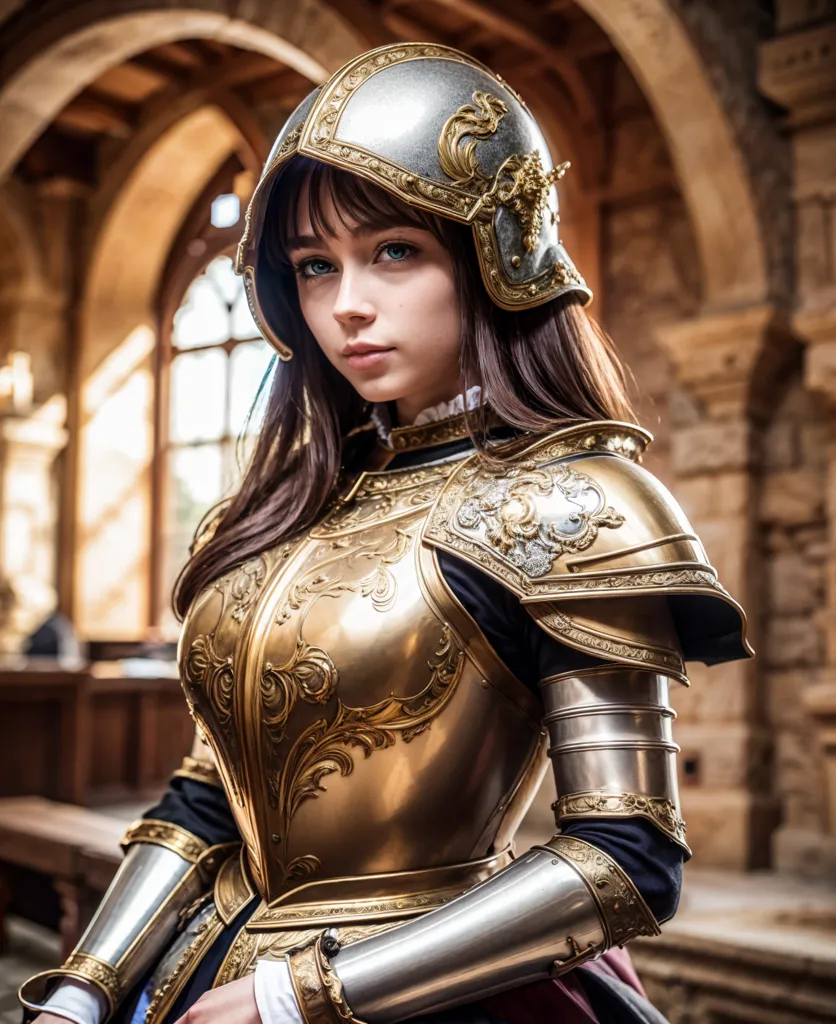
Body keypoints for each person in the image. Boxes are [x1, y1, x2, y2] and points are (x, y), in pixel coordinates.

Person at [20, 42, 752, 1024]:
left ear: (493, 253)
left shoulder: (574, 503)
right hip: (201, 975)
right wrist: (84, 987)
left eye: (392, 252)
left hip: (437, 992)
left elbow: (624, 862)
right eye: (312, 267)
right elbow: (205, 800)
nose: (344, 305)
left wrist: (291, 996)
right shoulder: (287, 505)